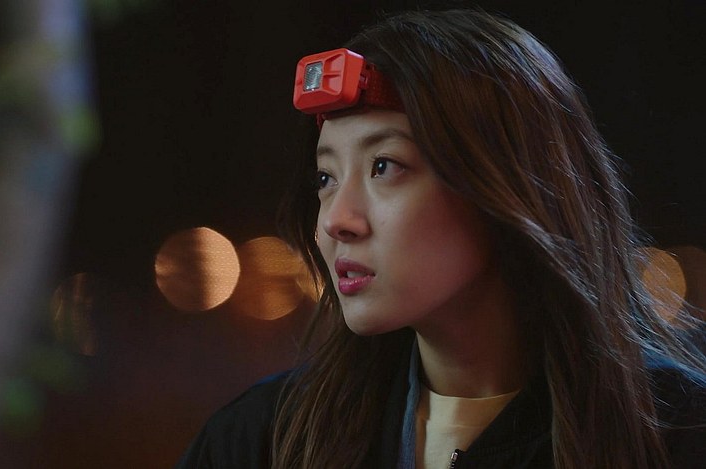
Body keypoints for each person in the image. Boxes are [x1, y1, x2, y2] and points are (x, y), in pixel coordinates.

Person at [176, 9, 706, 468]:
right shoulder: (262, 440)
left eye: (384, 166)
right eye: (325, 177)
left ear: (507, 184)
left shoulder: (676, 435)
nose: (336, 220)